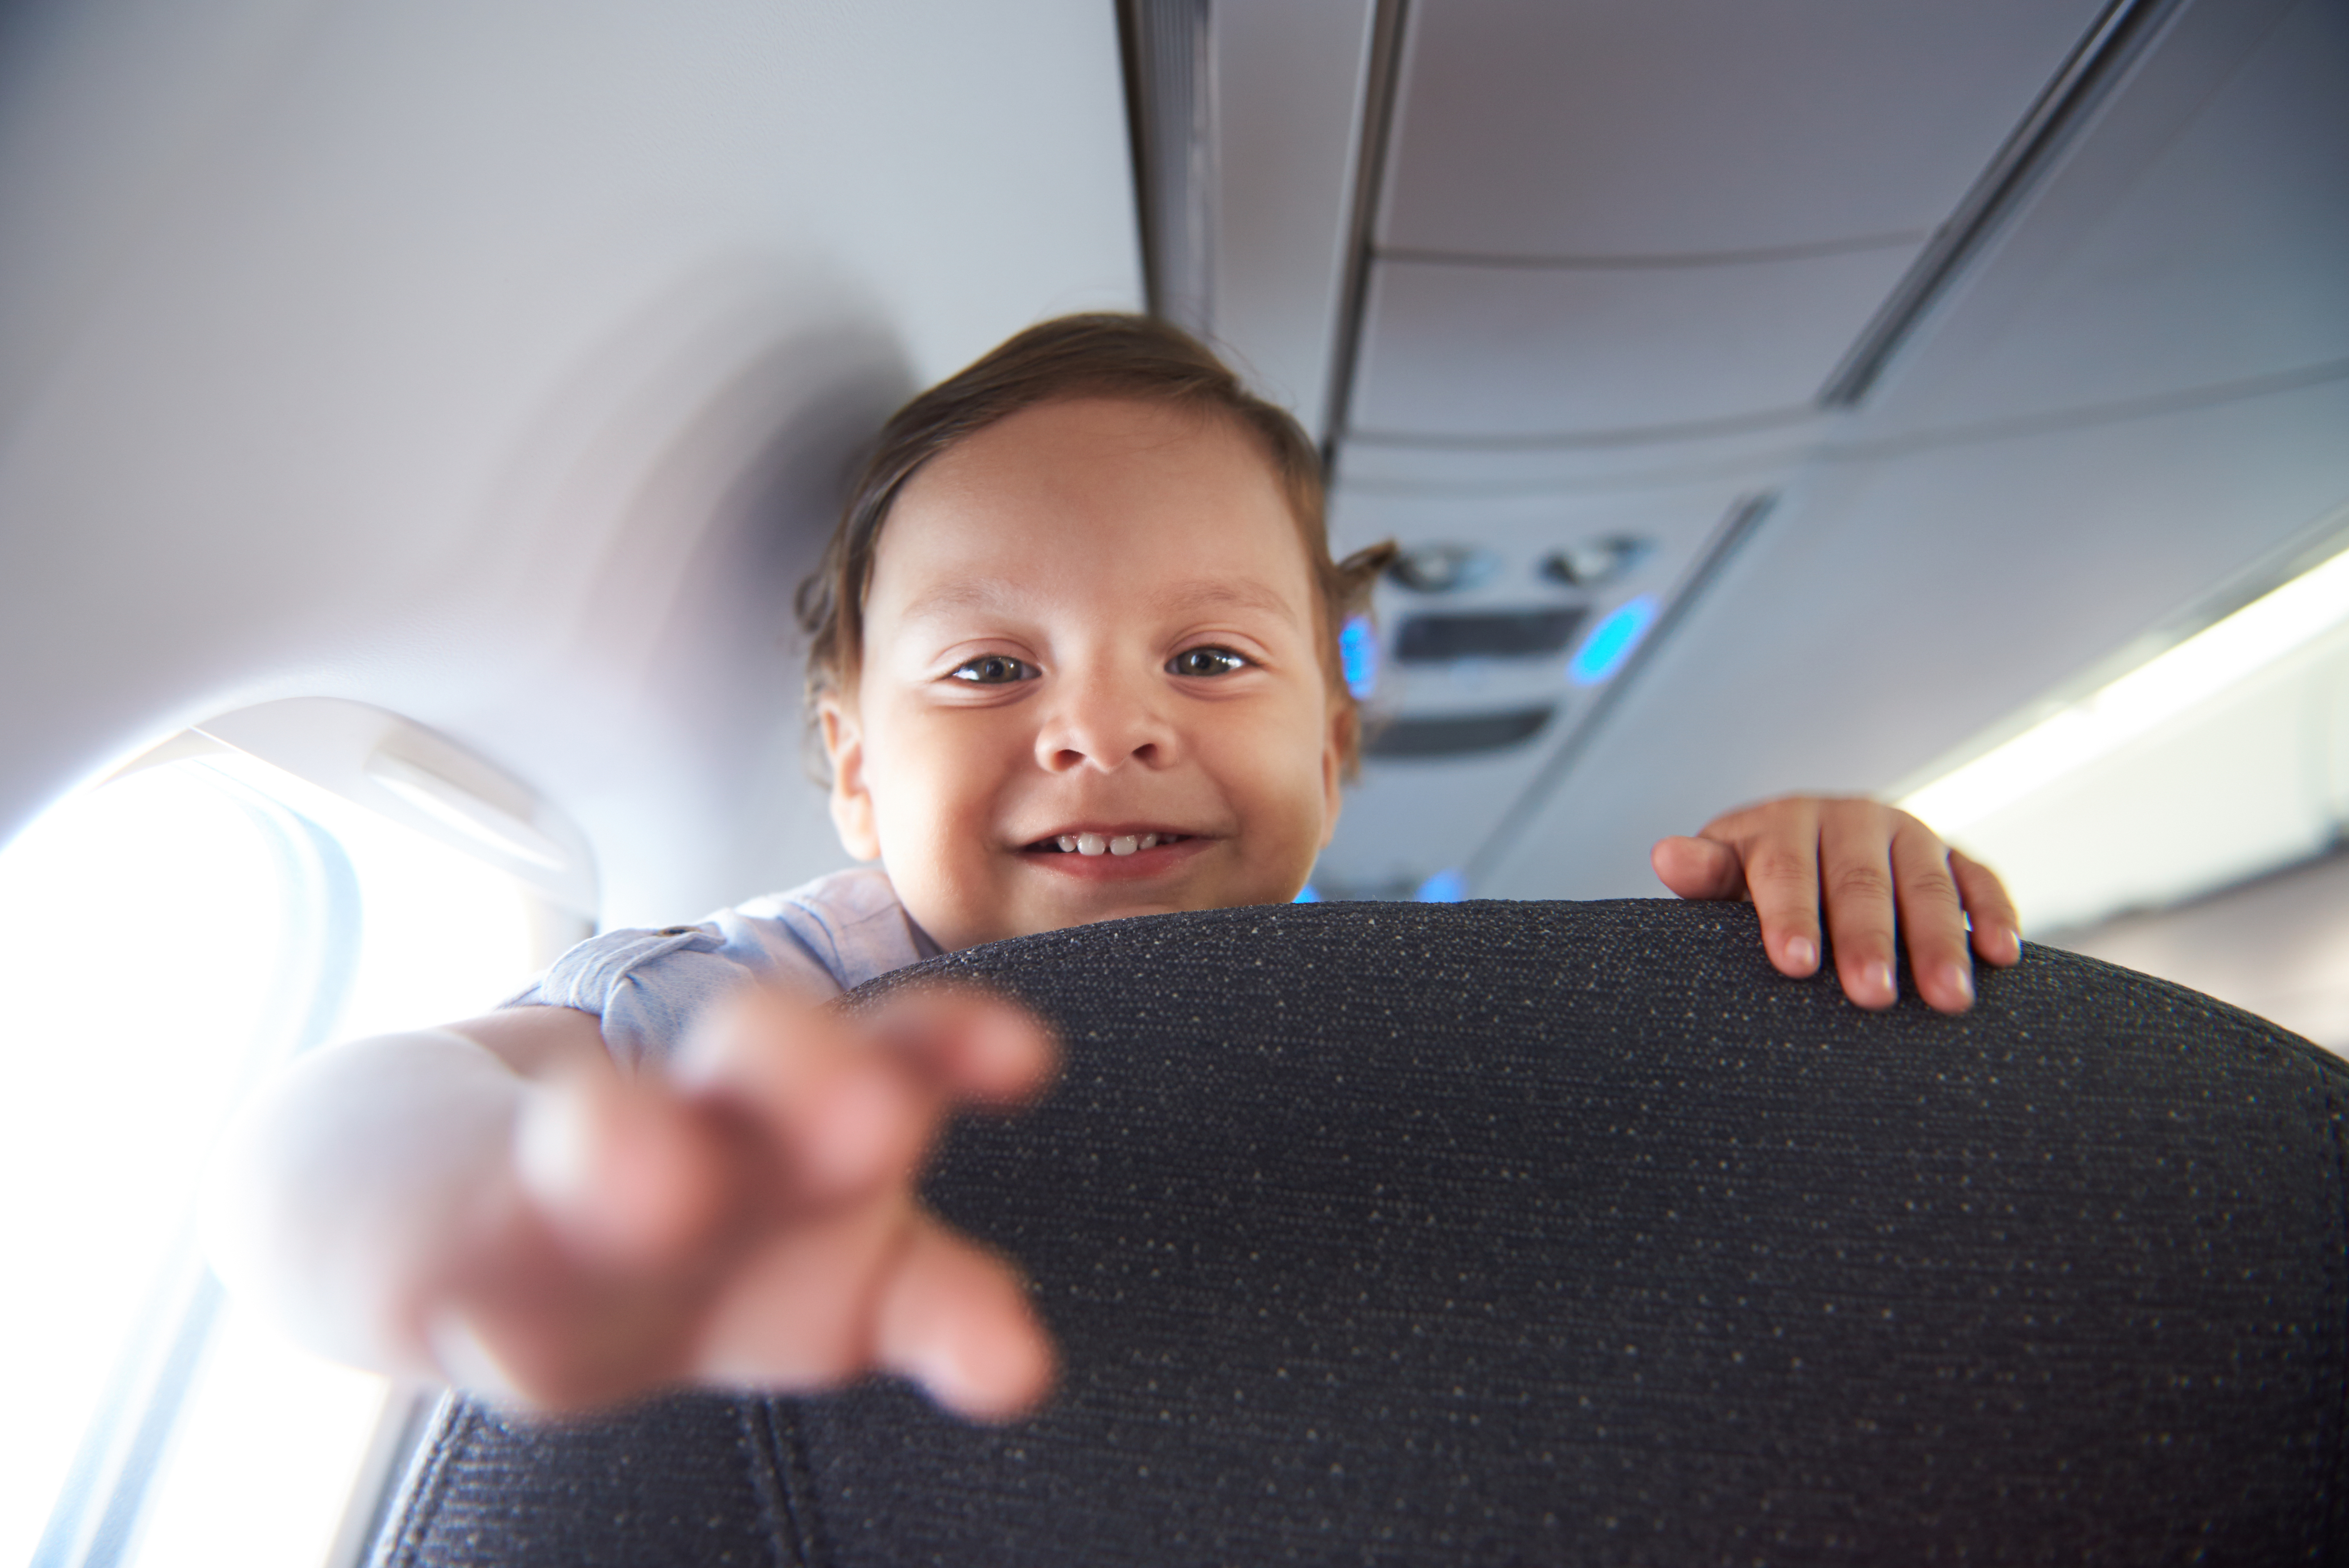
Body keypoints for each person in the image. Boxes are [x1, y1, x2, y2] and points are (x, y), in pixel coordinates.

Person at [203, 314, 2020, 1425]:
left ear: (1330, 742)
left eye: (1210, 661)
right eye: (994, 669)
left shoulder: (1432, 1029)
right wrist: (493, 1216)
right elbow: (346, 1131)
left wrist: (1816, 891)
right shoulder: (742, 1019)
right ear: (851, 763)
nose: (1103, 729)